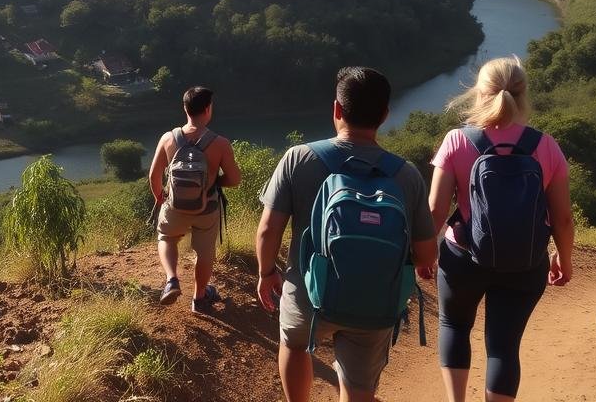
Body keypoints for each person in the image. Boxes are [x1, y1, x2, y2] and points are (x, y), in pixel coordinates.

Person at [256, 67, 438, 402]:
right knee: (359, 386)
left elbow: (268, 229)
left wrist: (267, 272)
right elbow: (426, 256)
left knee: (295, 345)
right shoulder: (406, 175)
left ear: (337, 109)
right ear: (385, 115)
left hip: (308, 295)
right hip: (375, 301)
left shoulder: (300, 158)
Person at [428, 56, 575, 402]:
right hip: (525, 263)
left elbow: (435, 210)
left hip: (463, 257)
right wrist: (563, 259)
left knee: (454, 327)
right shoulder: (546, 145)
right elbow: (563, 218)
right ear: (524, 97)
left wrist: (424, 252)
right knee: (504, 347)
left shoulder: (456, 141)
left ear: (479, 94)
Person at [149, 86, 241, 313]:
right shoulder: (220, 143)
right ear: (208, 109)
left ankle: (172, 279)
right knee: (204, 251)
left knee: (167, 238)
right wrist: (214, 182)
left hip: (174, 206)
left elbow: (154, 175)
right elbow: (234, 179)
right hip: (206, 209)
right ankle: (199, 298)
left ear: (185, 108)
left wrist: (161, 199)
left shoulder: (168, 138)